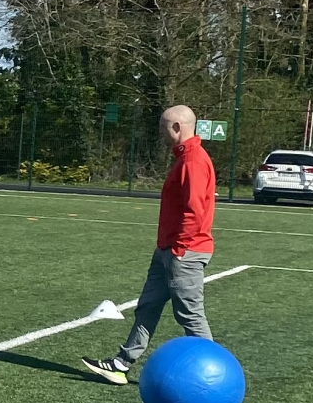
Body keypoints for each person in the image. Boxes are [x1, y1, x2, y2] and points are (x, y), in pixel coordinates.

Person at [82, 105, 216, 385]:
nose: (160, 133)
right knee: (148, 307)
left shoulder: (193, 161)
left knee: (190, 317)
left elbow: (194, 211)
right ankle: (121, 364)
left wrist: (179, 250)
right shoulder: (184, 158)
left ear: (177, 128)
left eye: (163, 127)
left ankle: (213, 376)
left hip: (184, 252)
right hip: (168, 250)